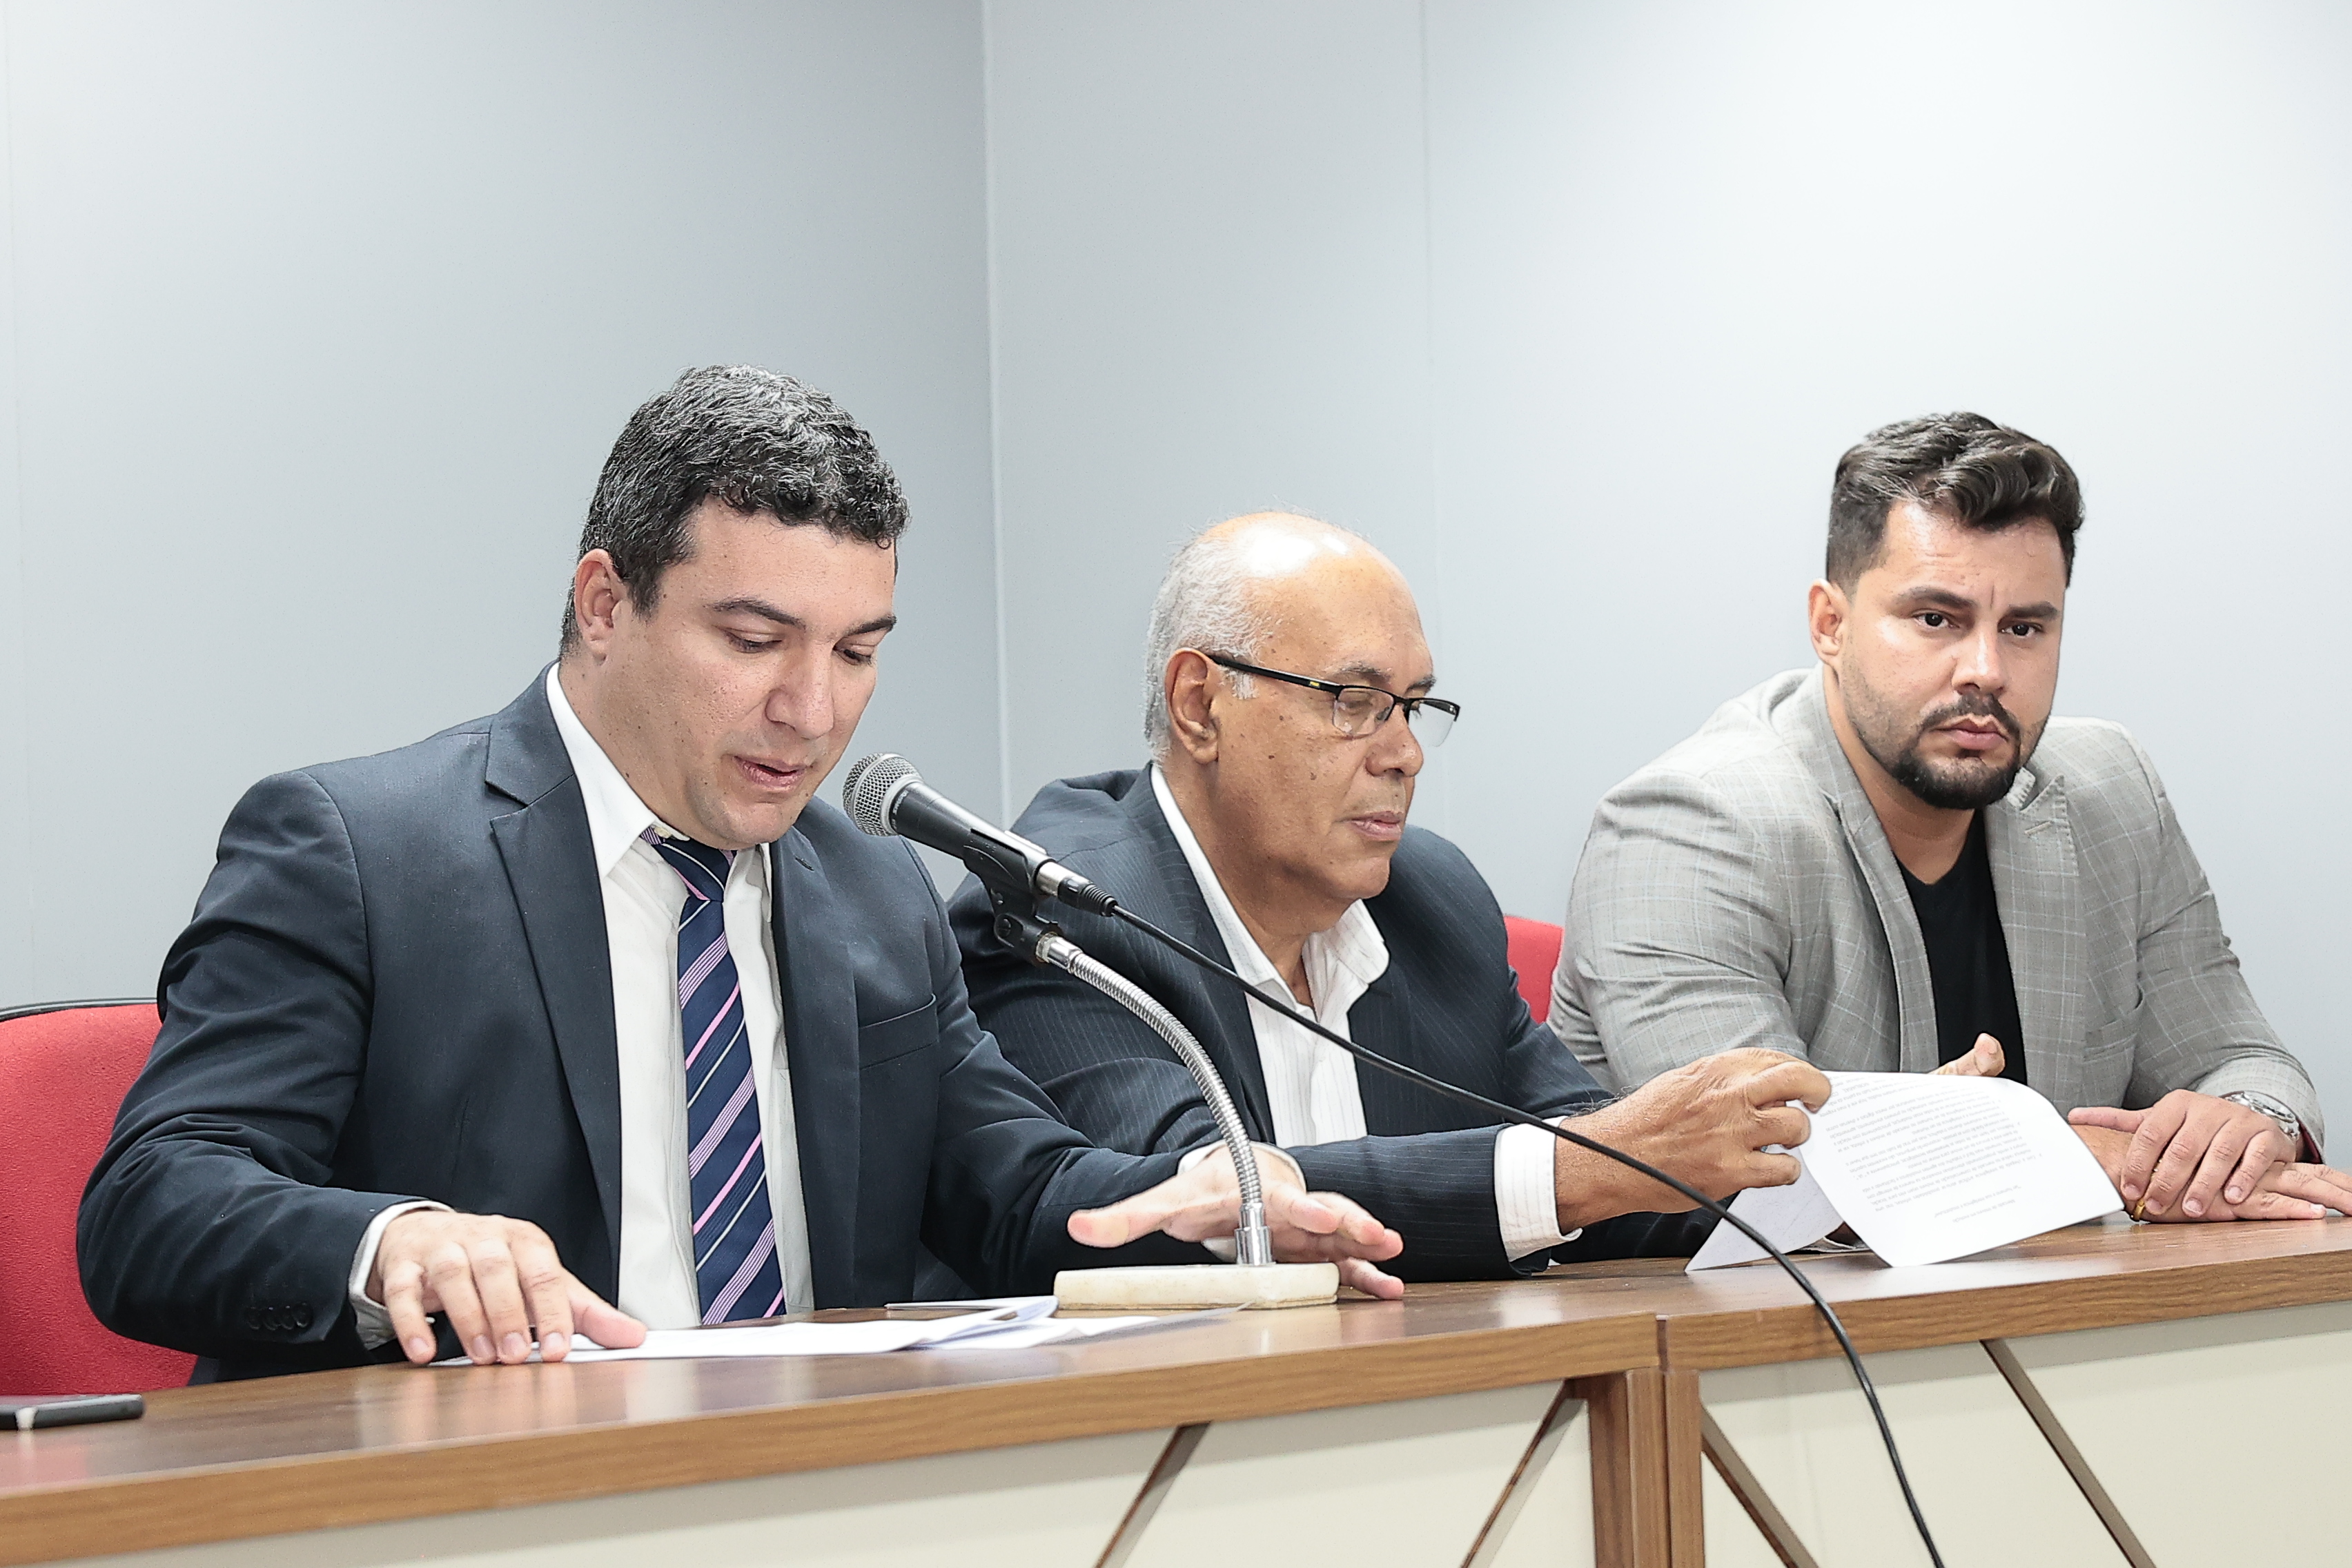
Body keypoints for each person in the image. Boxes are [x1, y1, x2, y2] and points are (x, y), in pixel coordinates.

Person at [78, 369, 1402, 1381]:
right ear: (606, 603)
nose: (812, 711)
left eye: (856, 651)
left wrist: (1185, 1203)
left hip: (808, 1490)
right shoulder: (360, 850)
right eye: (756, 640)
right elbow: (152, 1202)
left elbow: (1012, 1191)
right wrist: (394, 1242)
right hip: (467, 1500)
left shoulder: (873, 893)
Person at [951, 513, 1832, 1282]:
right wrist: (1591, 1168)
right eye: (1356, 701)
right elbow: (1209, 1202)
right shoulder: (1064, 908)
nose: (1404, 753)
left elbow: (1614, 1172)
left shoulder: (1431, 902)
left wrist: (1832, 1182)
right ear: (1200, 704)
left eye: (1412, 707)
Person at [1557, 412, 2351, 1225]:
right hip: (1739, 1305)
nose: (1986, 671)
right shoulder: (1687, 828)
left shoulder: (2110, 789)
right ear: (1831, 625)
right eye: (1937, 619)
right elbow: (1767, 1172)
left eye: (2024, 628)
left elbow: (2243, 1060)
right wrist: (2073, 1155)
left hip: (2067, 1293)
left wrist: (2239, 1131)